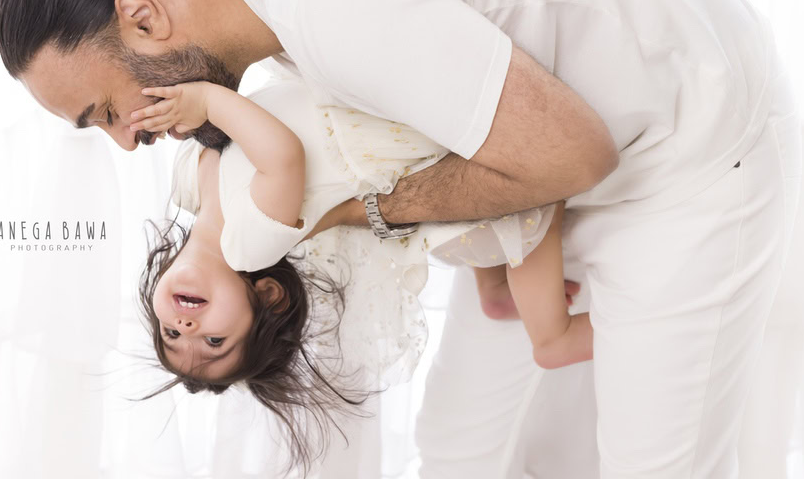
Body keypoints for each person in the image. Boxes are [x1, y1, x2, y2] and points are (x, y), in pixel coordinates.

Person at [0, 0, 800, 477]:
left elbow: (570, 154)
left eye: (106, 111)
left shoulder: (329, 0)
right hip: (568, 149)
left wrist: (374, 213)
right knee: (458, 438)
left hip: (692, 142)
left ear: (141, 14)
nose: (127, 140)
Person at [135, 75, 590, 475]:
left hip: (359, 115)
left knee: (476, 235)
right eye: (215, 342)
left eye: (171, 334)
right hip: (400, 149)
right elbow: (282, 155)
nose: (187, 328)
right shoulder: (249, 244)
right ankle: (558, 335)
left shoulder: (188, 187)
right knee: (526, 220)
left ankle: (493, 288)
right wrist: (208, 102)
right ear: (269, 295)